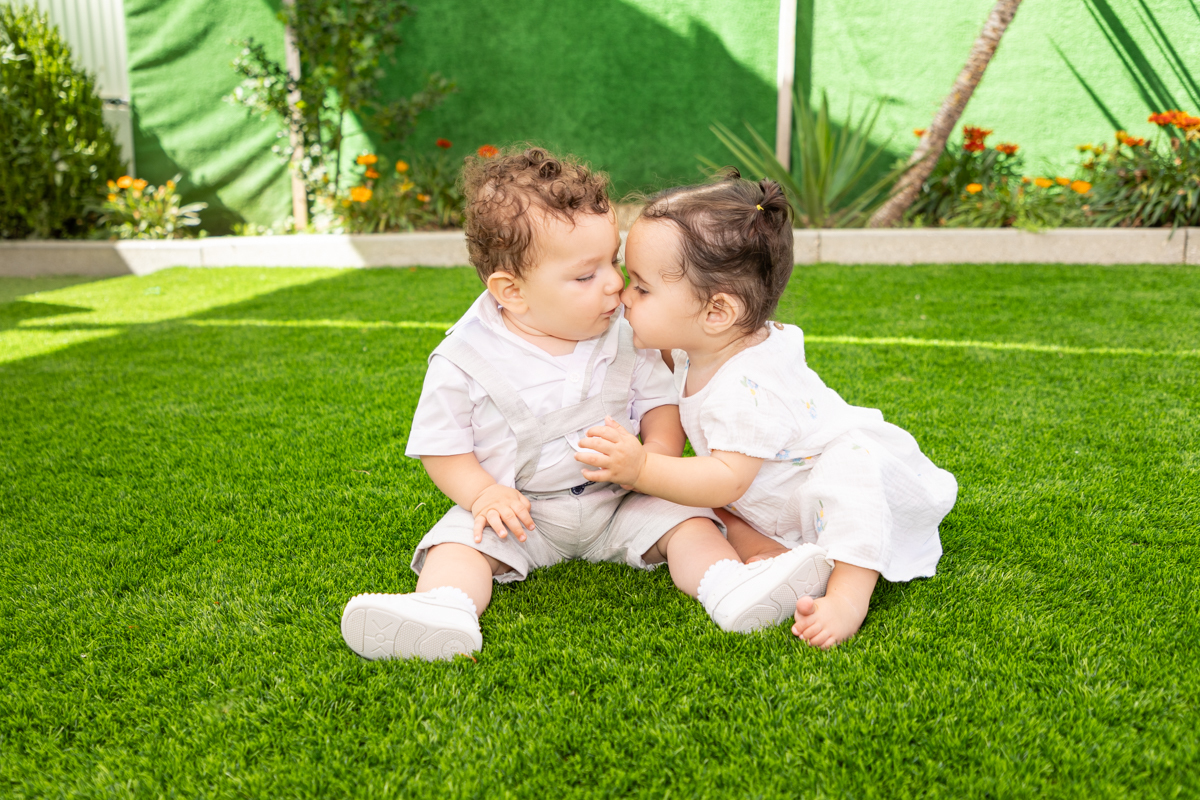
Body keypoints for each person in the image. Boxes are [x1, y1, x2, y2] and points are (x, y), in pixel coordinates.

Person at [340, 149, 832, 661]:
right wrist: (484, 494)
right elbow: (442, 448)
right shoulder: (464, 359)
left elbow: (659, 403)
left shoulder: (624, 333)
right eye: (585, 275)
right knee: (459, 540)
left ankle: (728, 586)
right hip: (522, 510)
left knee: (688, 518)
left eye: (612, 261)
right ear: (512, 292)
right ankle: (444, 607)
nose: (615, 283)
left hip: (619, 500)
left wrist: (655, 460)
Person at [575, 170, 959, 649]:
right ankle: (771, 554)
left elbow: (727, 479)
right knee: (695, 500)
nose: (624, 295)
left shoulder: (747, 385)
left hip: (833, 481)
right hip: (775, 490)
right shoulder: (699, 342)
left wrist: (642, 467)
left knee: (849, 479)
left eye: (642, 288)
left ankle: (847, 595)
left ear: (717, 312)